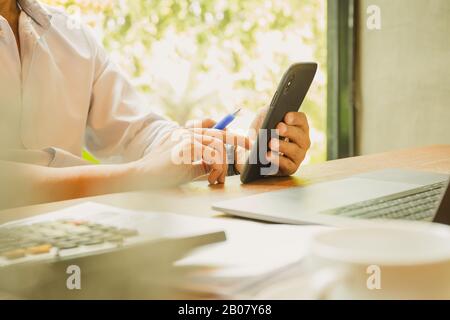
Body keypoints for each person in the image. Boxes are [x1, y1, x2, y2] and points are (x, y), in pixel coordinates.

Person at [0, 0, 311, 208]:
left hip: (67, 244)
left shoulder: (70, 36)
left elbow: (137, 131)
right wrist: (140, 174)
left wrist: (235, 155)